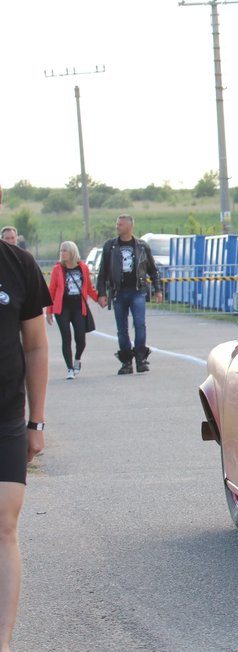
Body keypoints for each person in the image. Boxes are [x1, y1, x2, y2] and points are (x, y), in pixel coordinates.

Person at [0, 184, 50, 652]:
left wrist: (37, 423)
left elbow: (35, 345)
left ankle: (4, 640)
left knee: (5, 524)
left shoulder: (18, 265)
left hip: (6, 419)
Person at [95, 214, 163, 374]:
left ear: (129, 227)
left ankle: (141, 358)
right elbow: (102, 272)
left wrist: (157, 289)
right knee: (122, 328)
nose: (117, 227)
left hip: (137, 291)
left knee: (139, 324)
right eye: (117, 224)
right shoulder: (110, 246)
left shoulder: (142, 246)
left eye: (121, 225)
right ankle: (126, 361)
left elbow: (152, 269)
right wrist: (101, 293)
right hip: (118, 291)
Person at [45, 241, 98, 379]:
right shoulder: (57, 269)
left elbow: (89, 288)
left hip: (78, 307)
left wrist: (99, 299)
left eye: (65, 251)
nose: (62, 253)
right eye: (61, 250)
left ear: (72, 252)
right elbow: (51, 290)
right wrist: (49, 310)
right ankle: (69, 368)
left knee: (81, 339)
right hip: (62, 307)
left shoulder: (83, 268)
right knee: (66, 337)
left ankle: (77, 359)